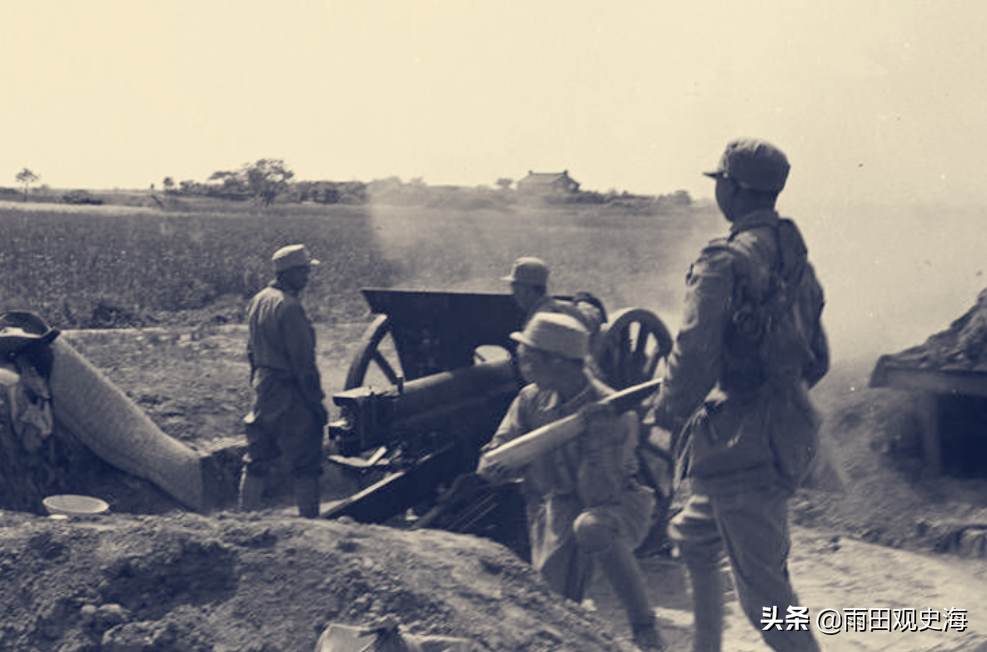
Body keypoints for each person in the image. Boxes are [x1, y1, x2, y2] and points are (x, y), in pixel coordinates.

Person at [649, 139, 829, 652]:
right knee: (694, 538)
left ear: (731, 189)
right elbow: (819, 358)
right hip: (780, 429)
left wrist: (667, 413)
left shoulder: (723, 261)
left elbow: (693, 354)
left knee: (768, 604)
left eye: (720, 183)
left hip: (739, 444)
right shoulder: (798, 262)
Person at [478, 312, 665, 651]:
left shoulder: (615, 415)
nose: (522, 363)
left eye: (529, 357)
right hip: (555, 507)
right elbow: (498, 449)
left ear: (560, 362)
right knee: (550, 615)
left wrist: (594, 444)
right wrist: (495, 464)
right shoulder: (529, 400)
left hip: (615, 506)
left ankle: (645, 628)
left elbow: (599, 495)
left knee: (590, 526)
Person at [239, 244, 329, 518]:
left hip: (263, 386)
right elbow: (303, 363)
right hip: (289, 391)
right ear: (288, 273)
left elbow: (251, 349)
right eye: (303, 271)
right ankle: (311, 527)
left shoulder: (259, 300)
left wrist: (257, 383)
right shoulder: (289, 307)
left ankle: (244, 520)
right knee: (307, 460)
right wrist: (316, 404)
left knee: (256, 458)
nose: (307, 277)